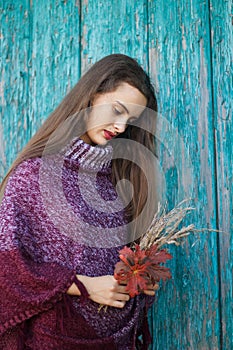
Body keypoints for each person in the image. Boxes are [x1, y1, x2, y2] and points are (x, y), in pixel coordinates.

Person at [0, 54, 159, 349]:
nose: (121, 127)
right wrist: (82, 286)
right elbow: (6, 270)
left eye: (131, 120)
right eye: (117, 110)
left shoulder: (116, 187)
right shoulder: (32, 177)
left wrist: (138, 285)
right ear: (92, 94)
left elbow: (114, 273)